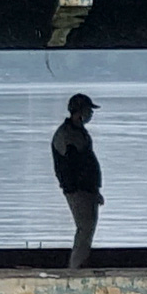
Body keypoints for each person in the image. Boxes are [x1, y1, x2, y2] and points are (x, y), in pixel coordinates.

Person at [51, 94, 102, 269]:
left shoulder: (79, 132)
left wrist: (95, 190)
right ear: (79, 112)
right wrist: (80, 188)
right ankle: (76, 267)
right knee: (85, 228)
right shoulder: (67, 134)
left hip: (87, 189)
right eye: (88, 110)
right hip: (77, 190)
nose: (90, 114)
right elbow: (73, 166)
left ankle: (81, 263)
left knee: (88, 227)